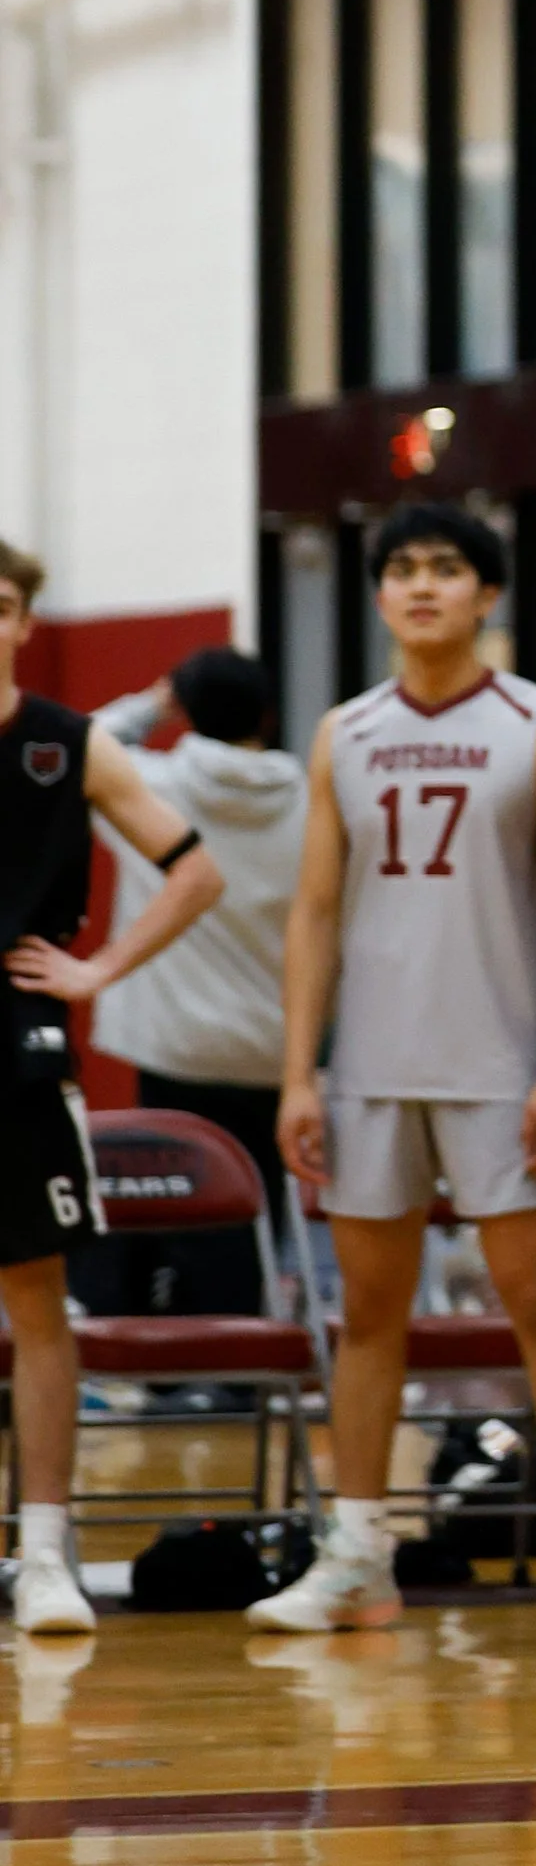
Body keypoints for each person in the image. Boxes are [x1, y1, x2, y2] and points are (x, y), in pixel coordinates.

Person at [253, 500, 536, 1641]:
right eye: (403, 570)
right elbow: (313, 910)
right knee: (368, 1319)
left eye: (446, 569)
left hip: (500, 1063)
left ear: (488, 593)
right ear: (377, 596)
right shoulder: (343, 733)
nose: (422, 587)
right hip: (370, 1066)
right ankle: (358, 1549)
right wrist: (299, 1073)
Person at [0, 534, 226, 1635]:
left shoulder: (70, 746)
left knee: (40, 1304)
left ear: (23, 623)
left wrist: (96, 970)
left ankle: (45, 1553)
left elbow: (196, 871)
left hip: (18, 1042)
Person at [89, 647, 305, 1317]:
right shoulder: (311, 799)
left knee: (180, 1209)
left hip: (176, 1046)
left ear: (184, 710)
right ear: (267, 714)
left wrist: (151, 707)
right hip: (274, 1048)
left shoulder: (151, 786)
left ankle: (184, 1367)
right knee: (253, 1210)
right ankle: (244, 1354)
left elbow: (82, 743)